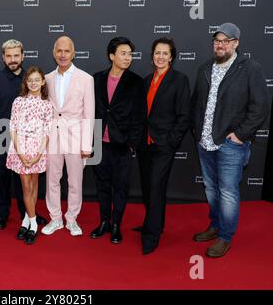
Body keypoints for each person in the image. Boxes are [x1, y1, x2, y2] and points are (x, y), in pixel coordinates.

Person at [191, 23, 270, 257]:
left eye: (226, 40)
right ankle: (215, 225)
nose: (220, 44)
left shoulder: (250, 68)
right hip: (204, 142)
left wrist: (240, 135)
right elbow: (197, 102)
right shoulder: (205, 67)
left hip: (230, 144)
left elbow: (260, 107)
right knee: (211, 189)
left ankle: (225, 237)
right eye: (217, 40)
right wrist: (196, 130)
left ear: (236, 43)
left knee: (227, 191)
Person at [135, 37, 191, 255]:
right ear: (152, 56)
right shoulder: (147, 80)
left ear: (172, 57)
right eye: (157, 53)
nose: (160, 57)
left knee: (157, 188)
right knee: (148, 187)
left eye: (165, 53)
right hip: (145, 144)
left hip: (163, 144)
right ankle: (153, 222)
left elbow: (183, 116)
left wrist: (170, 142)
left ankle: (151, 236)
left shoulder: (179, 80)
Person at [0, 39, 47, 230]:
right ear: (3, 57)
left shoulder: (30, 79)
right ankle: (2, 214)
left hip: (30, 141)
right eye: (8, 56)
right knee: (1, 178)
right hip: (2, 137)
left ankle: (27, 214)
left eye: (16, 55)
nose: (13, 59)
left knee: (26, 181)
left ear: (23, 56)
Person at [90, 36, 145, 244]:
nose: (128, 57)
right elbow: (90, 110)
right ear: (111, 56)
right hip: (99, 142)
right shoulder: (96, 79)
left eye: (130, 54)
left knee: (121, 186)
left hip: (122, 144)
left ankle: (115, 225)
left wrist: (132, 143)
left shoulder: (136, 82)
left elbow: (140, 115)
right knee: (102, 184)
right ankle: (103, 221)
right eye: (123, 53)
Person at [41, 36, 95, 237]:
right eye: (59, 51)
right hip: (52, 137)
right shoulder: (46, 78)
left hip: (76, 136)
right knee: (51, 180)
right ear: (54, 53)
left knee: (75, 181)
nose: (62, 55)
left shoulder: (86, 79)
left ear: (73, 53)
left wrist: (87, 145)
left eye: (66, 51)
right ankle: (55, 218)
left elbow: (89, 114)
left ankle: (72, 219)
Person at [6, 66, 53, 244]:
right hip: (20, 148)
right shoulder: (18, 101)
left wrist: (39, 153)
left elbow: (47, 131)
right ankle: (33, 224)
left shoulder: (47, 104)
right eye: (30, 80)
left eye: (36, 80)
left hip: (38, 149)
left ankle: (26, 219)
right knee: (26, 187)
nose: (33, 83)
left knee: (33, 186)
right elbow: (13, 128)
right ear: (26, 82)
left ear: (42, 82)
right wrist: (20, 152)